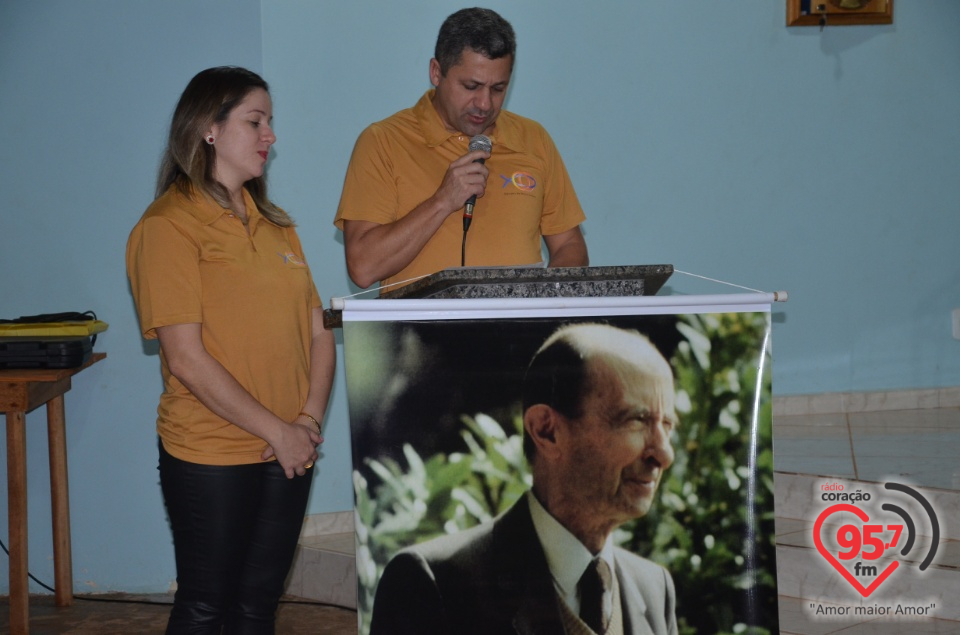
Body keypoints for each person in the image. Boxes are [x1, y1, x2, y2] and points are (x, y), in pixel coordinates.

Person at [125, 66, 336, 634]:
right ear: (209, 129)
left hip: (288, 448)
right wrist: (278, 430)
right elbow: (187, 359)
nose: (270, 135)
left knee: (257, 608)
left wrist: (306, 422)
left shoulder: (277, 226)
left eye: (270, 122)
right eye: (255, 121)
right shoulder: (168, 226)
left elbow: (319, 333)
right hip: (211, 452)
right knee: (207, 606)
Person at [369, 323, 679, 635]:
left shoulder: (654, 589)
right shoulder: (434, 585)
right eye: (636, 421)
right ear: (547, 430)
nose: (664, 455)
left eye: (667, 425)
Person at [334, 7, 589, 292]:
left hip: (520, 334)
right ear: (436, 72)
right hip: (419, 335)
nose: (484, 104)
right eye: (471, 86)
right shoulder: (383, 141)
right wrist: (443, 200)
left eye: (498, 89)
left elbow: (569, 244)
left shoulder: (534, 139)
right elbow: (363, 267)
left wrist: (546, 298)